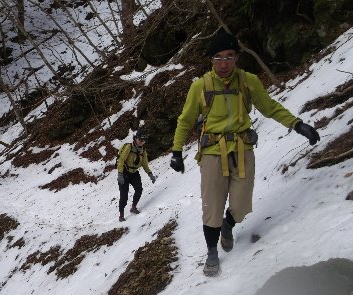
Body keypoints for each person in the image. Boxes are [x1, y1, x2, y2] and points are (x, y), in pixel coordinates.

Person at [170, 30, 320, 276]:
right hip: (212, 152)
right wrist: (177, 151)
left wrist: (297, 124)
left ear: (237, 57)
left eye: (229, 56)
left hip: (242, 148)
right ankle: (211, 252)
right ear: (211, 60)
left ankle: (229, 225)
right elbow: (185, 120)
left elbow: (269, 107)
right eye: (218, 58)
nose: (224, 63)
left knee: (240, 207)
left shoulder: (248, 81)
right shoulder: (200, 86)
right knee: (212, 207)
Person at [117, 128, 157, 222]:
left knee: (139, 189)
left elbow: (145, 164)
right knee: (124, 196)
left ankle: (133, 207)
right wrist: (120, 174)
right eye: (140, 140)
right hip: (125, 173)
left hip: (134, 173)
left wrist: (150, 174)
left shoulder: (143, 150)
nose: (142, 142)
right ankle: (121, 215)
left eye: (143, 140)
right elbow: (121, 160)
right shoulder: (129, 147)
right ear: (136, 138)